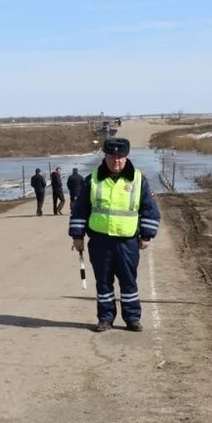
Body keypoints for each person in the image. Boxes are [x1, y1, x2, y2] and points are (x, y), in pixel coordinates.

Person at [68, 137, 161, 332]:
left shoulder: (138, 179)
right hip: (100, 241)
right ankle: (105, 318)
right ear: (105, 156)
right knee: (103, 282)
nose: (115, 161)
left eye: (120, 157)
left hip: (127, 242)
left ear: (126, 158)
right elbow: (80, 210)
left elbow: (150, 209)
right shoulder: (92, 179)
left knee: (128, 282)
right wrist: (77, 236)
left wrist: (146, 235)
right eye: (112, 156)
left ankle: (132, 318)